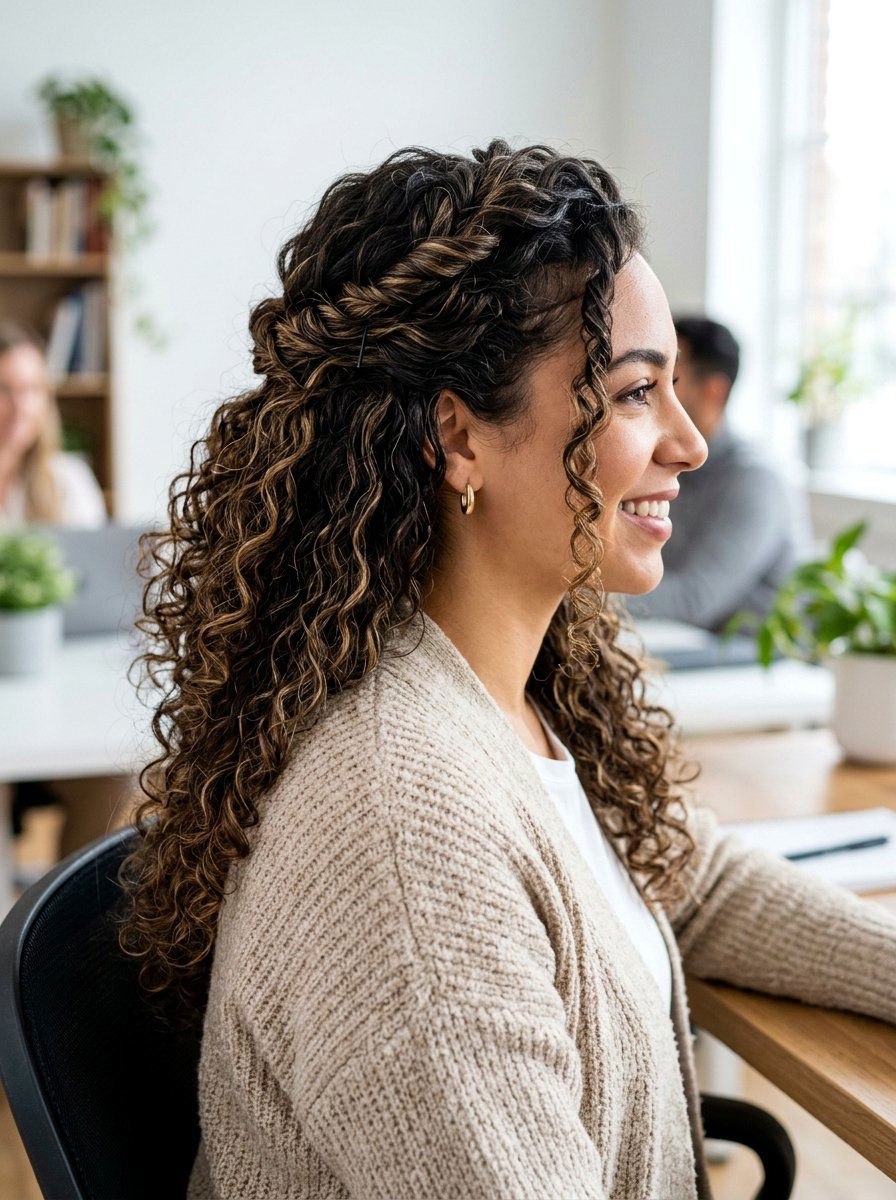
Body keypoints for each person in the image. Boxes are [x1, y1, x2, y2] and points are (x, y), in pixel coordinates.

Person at [118, 141, 896, 1200]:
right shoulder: (401, 826)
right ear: (459, 437)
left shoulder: (501, 695)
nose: (686, 444)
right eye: (633, 394)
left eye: (674, 390)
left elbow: (686, 876)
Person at [0, 319, 135, 860]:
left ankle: (56, 925)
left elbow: (101, 600)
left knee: (114, 780)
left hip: (54, 694)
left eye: (32, 390)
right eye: (5, 390)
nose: (21, 407)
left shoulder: (68, 482)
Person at [623, 316, 810, 633]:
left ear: (713, 391)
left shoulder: (755, 480)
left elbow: (694, 599)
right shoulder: (662, 463)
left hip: (745, 658)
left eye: (671, 381)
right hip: (686, 641)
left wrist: (576, 598)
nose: (647, 396)